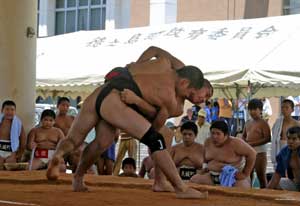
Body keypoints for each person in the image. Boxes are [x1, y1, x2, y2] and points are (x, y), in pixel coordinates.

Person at [47, 46, 212, 198]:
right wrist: (139, 103)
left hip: (105, 89)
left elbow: (153, 49)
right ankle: (181, 188)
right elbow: (154, 128)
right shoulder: (172, 101)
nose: (197, 98)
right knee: (157, 139)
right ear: (186, 82)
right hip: (117, 101)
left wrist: (137, 65)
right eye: (196, 93)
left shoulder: (166, 63)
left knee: (87, 140)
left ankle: (65, 163)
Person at [191, 121, 256, 188]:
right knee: (194, 180)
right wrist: (204, 168)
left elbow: (252, 154)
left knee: (242, 189)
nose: (214, 136)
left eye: (218, 134)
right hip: (212, 176)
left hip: (233, 178)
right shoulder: (207, 142)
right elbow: (205, 159)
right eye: (212, 133)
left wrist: (245, 173)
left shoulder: (236, 143)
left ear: (226, 135)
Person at [242, 99, 271, 188]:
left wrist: (252, 143)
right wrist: (244, 143)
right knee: (248, 175)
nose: (252, 112)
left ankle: (265, 196)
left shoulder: (263, 123)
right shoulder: (247, 123)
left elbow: (267, 138)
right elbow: (244, 135)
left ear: (261, 110)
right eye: (250, 109)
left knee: (261, 176)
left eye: (254, 109)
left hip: (260, 153)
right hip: (249, 152)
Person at [267, 126, 300, 191]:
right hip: (295, 183)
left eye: (294, 139)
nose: (290, 141)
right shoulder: (284, 153)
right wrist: (267, 192)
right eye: (288, 138)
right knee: (276, 183)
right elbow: (277, 174)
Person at [271, 99, 300, 170]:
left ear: (292, 110)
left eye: (287, 107)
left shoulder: (297, 124)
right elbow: (274, 134)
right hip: (279, 150)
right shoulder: (278, 122)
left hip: (293, 151)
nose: (284, 110)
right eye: (282, 107)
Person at [0, 100, 26, 170]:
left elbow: (23, 140)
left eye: (12, 110)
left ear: (15, 111)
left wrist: (19, 153)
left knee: (10, 170)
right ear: (2, 110)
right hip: (0, 148)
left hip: (11, 151)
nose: (9, 112)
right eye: (7, 109)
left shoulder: (18, 123)